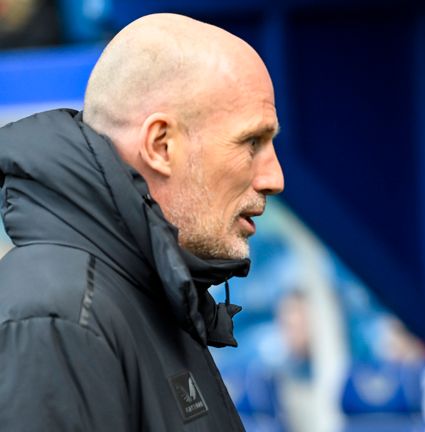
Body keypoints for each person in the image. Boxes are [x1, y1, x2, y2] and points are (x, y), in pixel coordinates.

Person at [0, 12, 283, 431]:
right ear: (161, 145)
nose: (273, 178)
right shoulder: (57, 318)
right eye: (251, 142)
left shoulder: (147, 291)